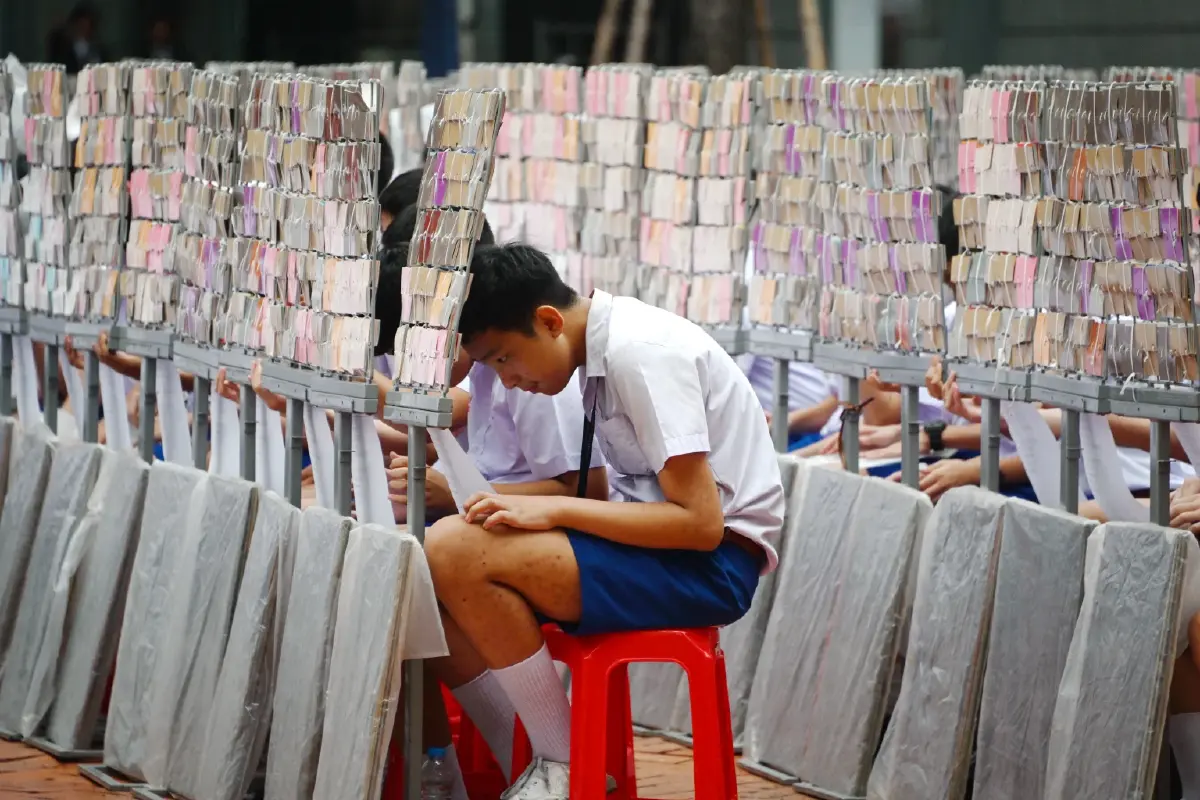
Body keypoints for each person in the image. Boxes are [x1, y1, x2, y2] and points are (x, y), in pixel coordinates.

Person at [422, 242, 784, 798]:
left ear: (547, 321)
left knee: (452, 548)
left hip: (710, 567)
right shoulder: (597, 352)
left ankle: (564, 762)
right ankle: (537, 753)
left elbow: (700, 525)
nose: (508, 379)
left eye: (503, 359)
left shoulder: (640, 352)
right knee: (431, 575)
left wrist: (551, 509)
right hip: (660, 551)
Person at [49, 3, 107, 73]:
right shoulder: (62, 50)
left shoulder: (99, 51)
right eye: (81, 26)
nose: (84, 30)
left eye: (88, 26)